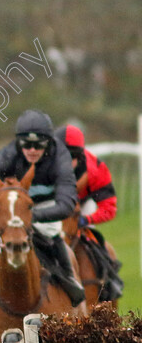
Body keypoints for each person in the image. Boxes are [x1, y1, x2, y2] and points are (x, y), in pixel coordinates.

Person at [0, 110, 85, 305]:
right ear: (18, 143)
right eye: (27, 144)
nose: (32, 150)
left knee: (52, 234)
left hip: (45, 207)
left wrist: (32, 216)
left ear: (49, 142)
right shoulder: (7, 155)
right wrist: (4, 213)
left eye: (38, 145)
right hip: (13, 207)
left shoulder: (60, 158)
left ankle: (70, 280)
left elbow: (66, 203)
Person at [54, 123, 123, 300]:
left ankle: (109, 281)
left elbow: (109, 208)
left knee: (97, 244)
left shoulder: (96, 170)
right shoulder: (43, 164)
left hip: (82, 206)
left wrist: (85, 219)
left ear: (79, 157)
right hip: (53, 204)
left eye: (69, 159)